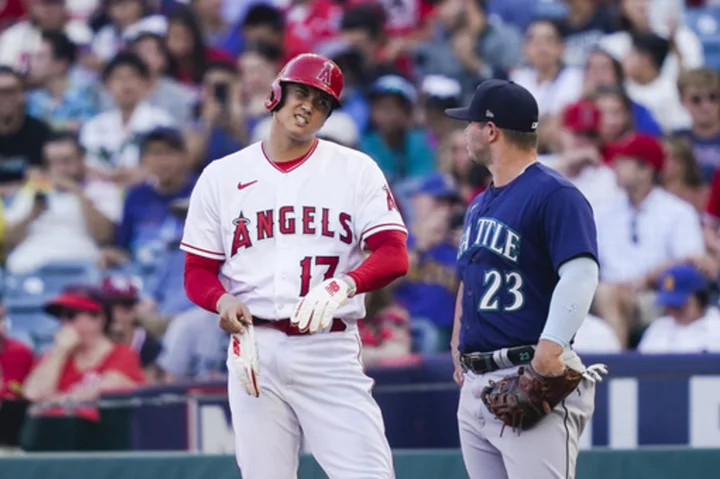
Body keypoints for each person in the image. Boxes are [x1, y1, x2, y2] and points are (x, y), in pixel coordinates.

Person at [181, 53, 409, 479]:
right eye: (301, 93)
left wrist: (344, 285)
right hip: (254, 348)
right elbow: (196, 271)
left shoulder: (355, 169)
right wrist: (222, 300)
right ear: (276, 94)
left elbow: (394, 253)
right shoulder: (222, 176)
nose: (308, 106)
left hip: (328, 346)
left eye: (321, 102)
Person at [445, 79, 605, 479]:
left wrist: (549, 352)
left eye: (470, 123)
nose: (464, 132)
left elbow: (581, 272)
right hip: (478, 381)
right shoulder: (480, 203)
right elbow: (470, 274)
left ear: (491, 130)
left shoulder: (555, 194)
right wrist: (457, 339)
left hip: (529, 371)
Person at [22, 285, 145, 421]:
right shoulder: (53, 356)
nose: (64, 323)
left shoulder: (122, 353)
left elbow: (108, 388)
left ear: (99, 318)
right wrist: (59, 351)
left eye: (70, 315)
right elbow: (33, 394)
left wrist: (53, 401)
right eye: (60, 316)